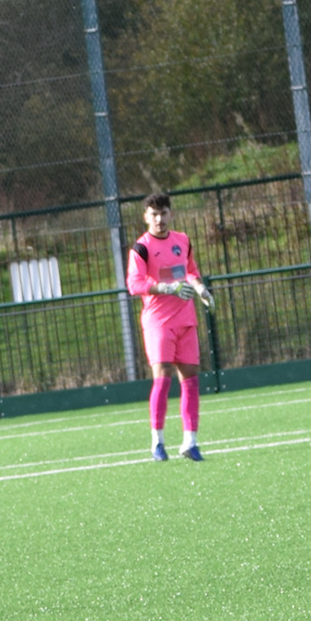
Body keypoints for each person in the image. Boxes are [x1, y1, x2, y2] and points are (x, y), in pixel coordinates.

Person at [127, 191, 209, 461]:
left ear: (170, 214)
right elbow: (134, 284)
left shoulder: (182, 240)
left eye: (163, 213)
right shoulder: (141, 248)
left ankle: (190, 442)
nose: (159, 219)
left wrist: (200, 288)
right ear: (145, 217)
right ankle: (157, 442)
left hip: (185, 319)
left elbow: (191, 270)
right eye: (154, 215)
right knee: (162, 378)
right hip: (158, 322)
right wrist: (165, 288)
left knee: (191, 379)